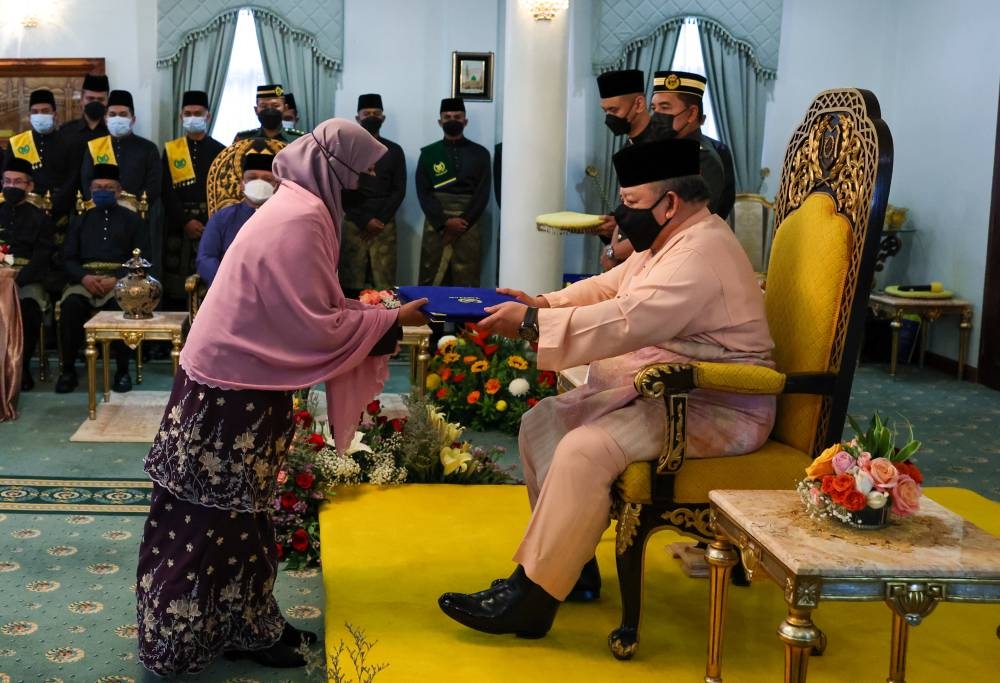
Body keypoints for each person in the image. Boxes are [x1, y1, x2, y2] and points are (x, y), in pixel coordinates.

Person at [437, 138, 775, 639]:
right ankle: (568, 568)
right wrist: (544, 301)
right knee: (542, 423)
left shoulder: (700, 251)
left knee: (584, 449)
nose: (620, 216)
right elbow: (613, 284)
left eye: (631, 204)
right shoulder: (676, 235)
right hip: (667, 391)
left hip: (715, 403)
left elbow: (625, 319)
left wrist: (531, 322)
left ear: (671, 203)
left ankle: (532, 597)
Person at [135, 119, 429, 675]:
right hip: (229, 391)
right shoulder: (298, 217)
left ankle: (247, 623)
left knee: (244, 513)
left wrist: (373, 311)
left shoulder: (301, 205)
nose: (366, 179)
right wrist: (389, 321)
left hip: (243, 382)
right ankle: (175, 638)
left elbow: (314, 302)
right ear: (333, 165)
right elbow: (312, 325)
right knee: (210, 515)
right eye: (361, 169)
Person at [56, 164, 150, 394]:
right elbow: (67, 258)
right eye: (98, 188)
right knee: (70, 307)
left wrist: (118, 278)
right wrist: (84, 278)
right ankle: (67, 370)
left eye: (108, 188)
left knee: (121, 308)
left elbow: (144, 258)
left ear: (119, 191)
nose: (103, 191)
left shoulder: (133, 220)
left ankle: (122, 371)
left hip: (120, 282)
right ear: (90, 191)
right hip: (83, 281)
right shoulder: (79, 220)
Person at [595, 69, 675, 272]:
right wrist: (612, 241)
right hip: (628, 257)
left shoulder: (665, 146)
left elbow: (666, 219)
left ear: (639, 104)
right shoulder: (627, 147)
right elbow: (626, 206)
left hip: (657, 258)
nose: (609, 118)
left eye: (614, 110)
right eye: (605, 111)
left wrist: (614, 252)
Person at [416, 97, 491, 287]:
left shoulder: (481, 153)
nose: (452, 120)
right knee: (431, 274)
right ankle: (431, 318)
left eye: (457, 117)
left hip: (469, 225)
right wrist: (444, 223)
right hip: (436, 224)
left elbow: (482, 193)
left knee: (467, 277)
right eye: (447, 117)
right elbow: (423, 193)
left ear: (465, 121)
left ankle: (465, 317)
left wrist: (463, 222)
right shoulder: (429, 154)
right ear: (440, 122)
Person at [161, 90, 226, 301]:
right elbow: (166, 190)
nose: (192, 117)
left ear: (207, 116)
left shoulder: (221, 151)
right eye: (188, 113)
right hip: (178, 225)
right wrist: (185, 221)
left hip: (210, 224)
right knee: (175, 286)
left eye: (198, 113)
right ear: (181, 117)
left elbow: (221, 191)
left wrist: (208, 222)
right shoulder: (172, 150)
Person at [339, 93, 406, 297]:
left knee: (383, 285)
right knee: (351, 282)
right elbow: (341, 188)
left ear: (383, 118)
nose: (371, 117)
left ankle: (384, 328)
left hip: (384, 225)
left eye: (376, 113)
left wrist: (379, 219)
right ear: (358, 118)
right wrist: (364, 220)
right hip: (354, 223)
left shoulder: (394, 151)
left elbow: (399, 190)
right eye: (366, 113)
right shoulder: (345, 149)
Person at [0, 158, 55, 391]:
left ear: (29, 186)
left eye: (18, 182)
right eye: (8, 181)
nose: (12, 186)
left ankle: (20, 368)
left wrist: (16, 279)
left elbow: (43, 255)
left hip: (26, 279)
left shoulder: (40, 218)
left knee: (30, 308)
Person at [650, 70, 733, 219]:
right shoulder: (658, 149)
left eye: (665, 107)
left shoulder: (702, 158)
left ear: (691, 114)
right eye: (653, 108)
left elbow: (691, 219)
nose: (656, 115)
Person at [196, 145, 277, 286]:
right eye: (252, 178)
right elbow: (205, 258)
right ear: (242, 184)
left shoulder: (286, 220)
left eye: (267, 179)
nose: (259, 183)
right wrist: (227, 281)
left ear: (276, 185)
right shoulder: (222, 218)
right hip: (229, 290)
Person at [3, 89, 75, 223]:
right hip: (23, 209)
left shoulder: (68, 142)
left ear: (54, 114)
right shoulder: (17, 143)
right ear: (30, 115)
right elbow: (8, 177)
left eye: (45, 111)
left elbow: (72, 177)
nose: (40, 115)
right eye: (35, 112)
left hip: (59, 210)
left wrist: (55, 202)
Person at [234, 84, 306, 143]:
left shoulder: (300, 140)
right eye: (263, 106)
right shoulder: (242, 139)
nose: (269, 110)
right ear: (256, 110)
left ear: (285, 109)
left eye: (275, 106)